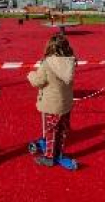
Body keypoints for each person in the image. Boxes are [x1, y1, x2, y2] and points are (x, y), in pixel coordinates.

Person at [27, 33, 76, 166]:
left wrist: (30, 74)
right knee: (62, 130)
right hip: (65, 103)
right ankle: (59, 152)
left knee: (51, 131)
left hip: (52, 104)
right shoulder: (71, 62)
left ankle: (49, 156)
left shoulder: (47, 64)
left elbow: (38, 81)